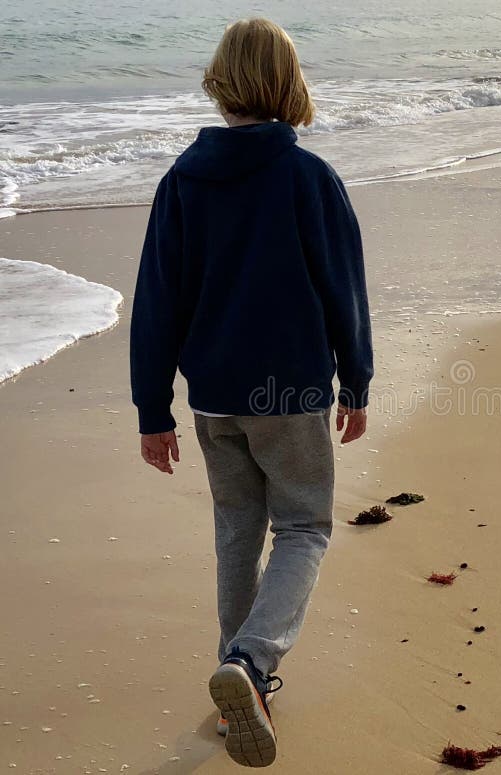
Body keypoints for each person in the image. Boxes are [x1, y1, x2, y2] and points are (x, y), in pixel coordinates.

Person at [129, 17, 373, 768]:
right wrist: (356, 380)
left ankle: (241, 677)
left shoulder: (182, 180)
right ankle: (253, 658)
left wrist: (151, 408)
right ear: (289, 85)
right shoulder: (308, 178)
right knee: (304, 527)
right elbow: (344, 289)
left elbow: (157, 300)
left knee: (238, 528)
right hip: (290, 391)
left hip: (214, 399)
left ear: (221, 81)